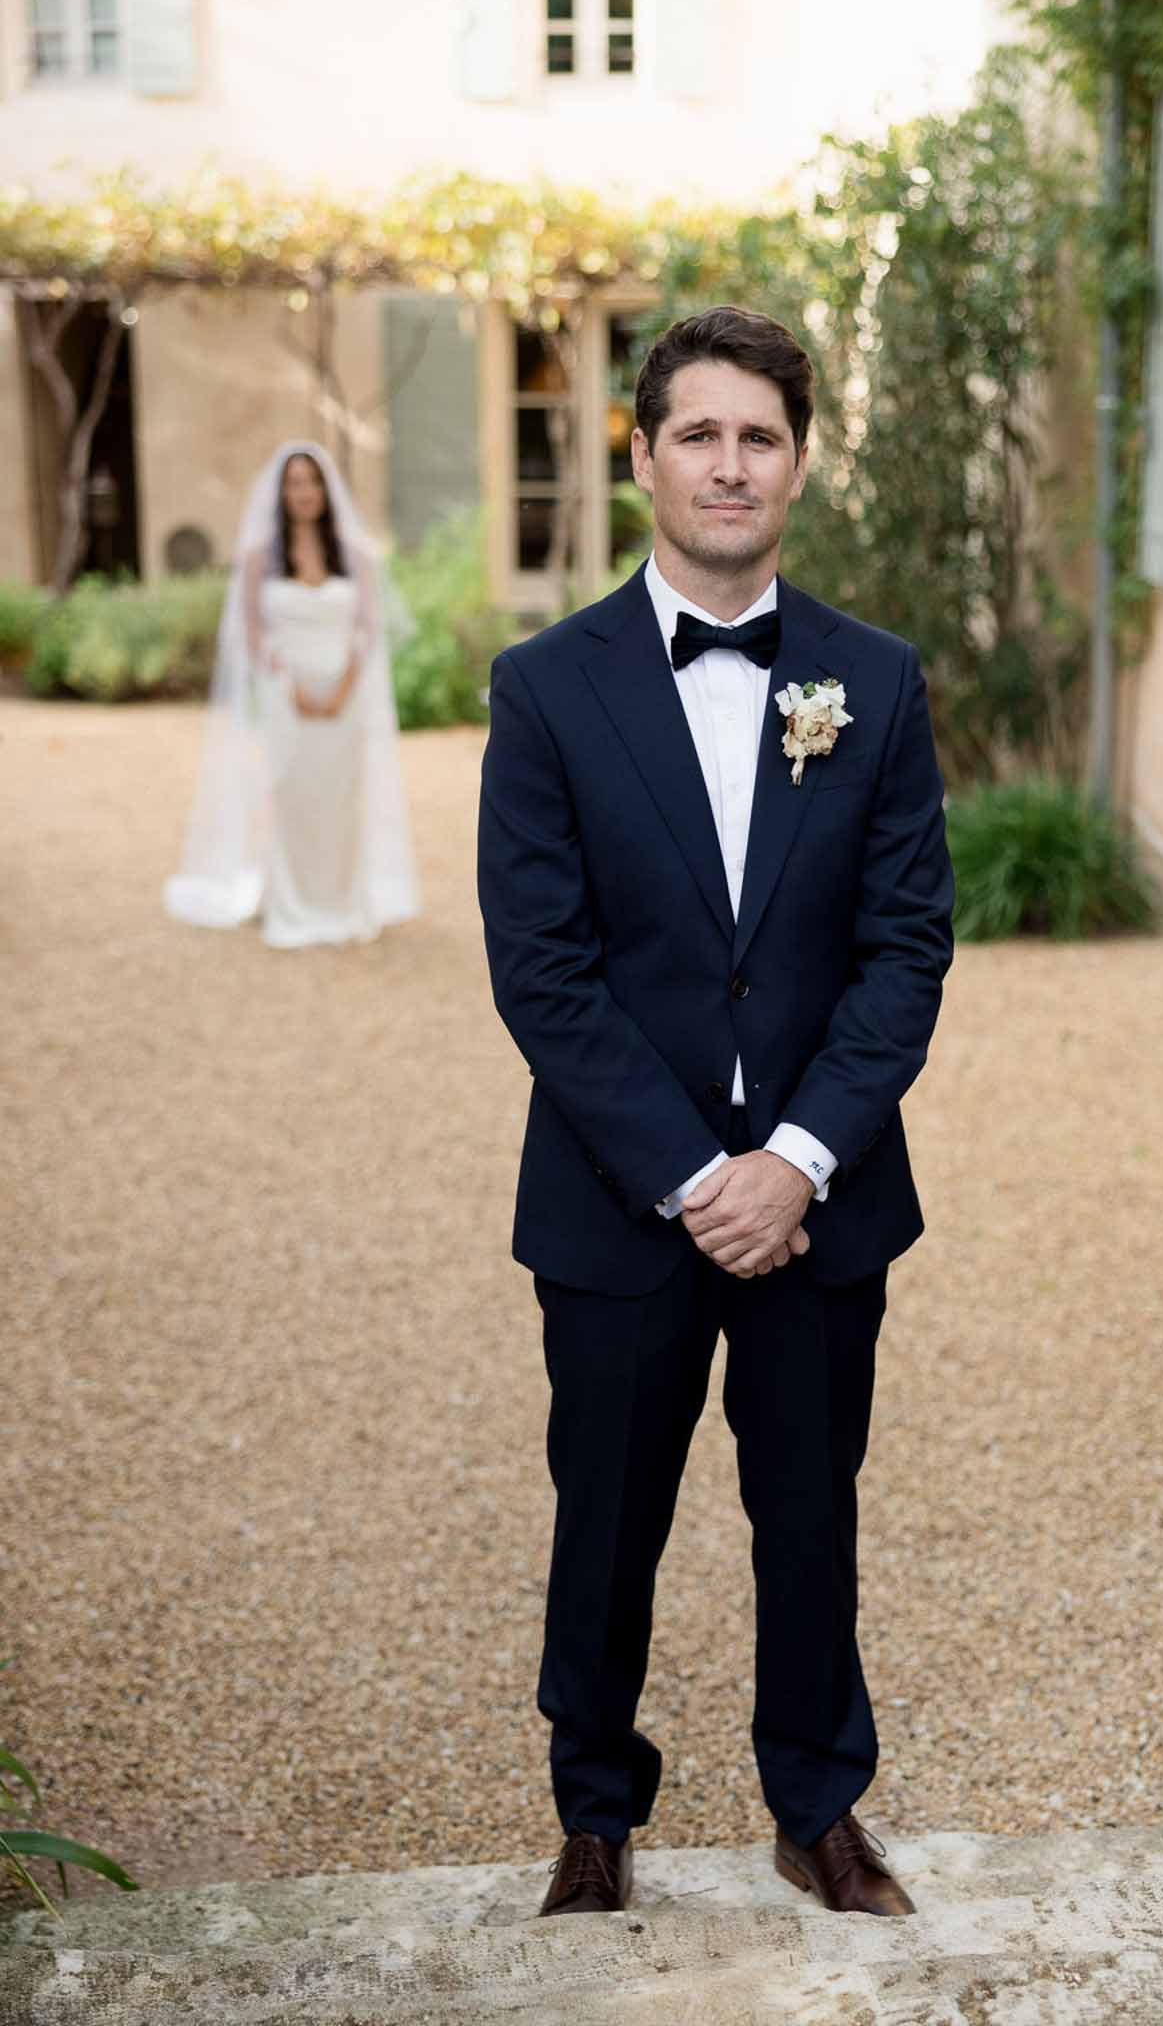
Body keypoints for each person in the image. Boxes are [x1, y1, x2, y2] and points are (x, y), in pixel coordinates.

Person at [477, 307, 954, 1919]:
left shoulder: (872, 684)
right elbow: (542, 971)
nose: (729, 463)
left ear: (799, 463)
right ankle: (594, 1816)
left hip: (824, 1199)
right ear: (643, 455)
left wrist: (799, 1158)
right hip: (622, 1200)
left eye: (759, 436)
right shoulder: (543, 689)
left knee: (808, 1511)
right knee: (605, 1517)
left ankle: (816, 1805)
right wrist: (698, 1175)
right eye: (699, 434)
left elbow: (905, 949)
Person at [164, 440, 419, 947]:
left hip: (345, 700)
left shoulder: (353, 553)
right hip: (287, 700)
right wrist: (289, 687)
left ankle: (342, 903)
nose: (304, 492)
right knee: (291, 796)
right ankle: (293, 905)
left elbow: (369, 629)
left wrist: (344, 688)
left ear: (326, 490)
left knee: (341, 800)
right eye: (294, 483)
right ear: (281, 493)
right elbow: (252, 635)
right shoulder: (259, 557)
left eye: (312, 482)